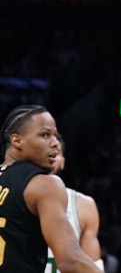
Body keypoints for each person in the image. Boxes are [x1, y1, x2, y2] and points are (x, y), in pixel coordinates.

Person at [0, 105, 101, 272]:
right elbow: (71, 262)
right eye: (45, 135)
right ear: (17, 141)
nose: (55, 143)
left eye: (55, 136)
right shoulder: (45, 185)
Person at [45, 135, 102, 273]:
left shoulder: (83, 205)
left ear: (63, 162)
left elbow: (91, 264)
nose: (50, 156)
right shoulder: (8, 194)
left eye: (55, 153)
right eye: (44, 151)